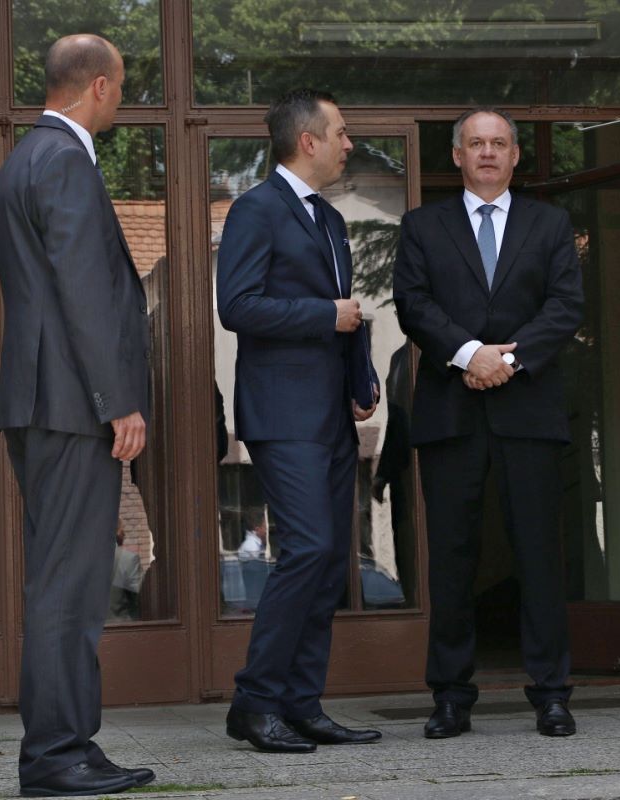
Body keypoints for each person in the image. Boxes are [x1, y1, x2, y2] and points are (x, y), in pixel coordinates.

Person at [0, 33, 155, 797]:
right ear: (98, 86)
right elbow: (83, 291)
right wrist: (118, 402)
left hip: (45, 401)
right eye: (121, 86)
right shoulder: (63, 160)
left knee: (69, 579)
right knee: (68, 584)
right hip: (70, 405)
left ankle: (73, 746)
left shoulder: (24, 159)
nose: (122, 99)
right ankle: (56, 756)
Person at [393, 106, 584, 739]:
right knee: (451, 558)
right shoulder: (422, 226)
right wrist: (469, 354)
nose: (487, 153)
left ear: (515, 155)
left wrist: (508, 360)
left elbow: (565, 305)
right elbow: (412, 303)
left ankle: (551, 694)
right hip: (451, 414)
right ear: (456, 155)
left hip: (528, 413)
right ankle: (450, 696)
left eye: (499, 143)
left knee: (539, 554)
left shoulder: (550, 224)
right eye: (476, 143)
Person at [216, 88, 382, 753]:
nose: (350, 144)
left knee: (330, 558)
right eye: (341, 132)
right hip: (282, 416)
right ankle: (254, 703)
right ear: (307, 141)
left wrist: (360, 381)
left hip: (331, 415)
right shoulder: (256, 209)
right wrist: (325, 316)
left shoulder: (330, 220)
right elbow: (238, 306)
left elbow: (346, 314)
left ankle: (302, 705)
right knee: (308, 548)